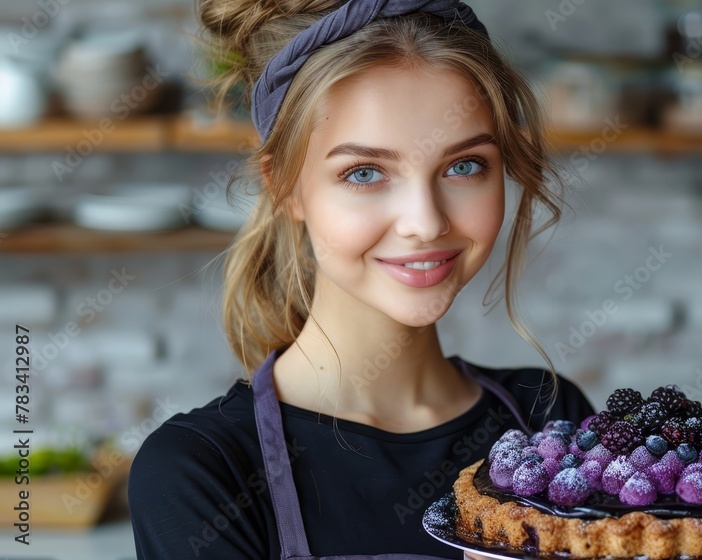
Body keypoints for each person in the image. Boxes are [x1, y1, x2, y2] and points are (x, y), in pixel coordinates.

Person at [126, 1, 595, 558]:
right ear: (286, 188)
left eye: (464, 165)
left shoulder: (550, 418)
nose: (425, 222)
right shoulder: (200, 471)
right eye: (364, 173)